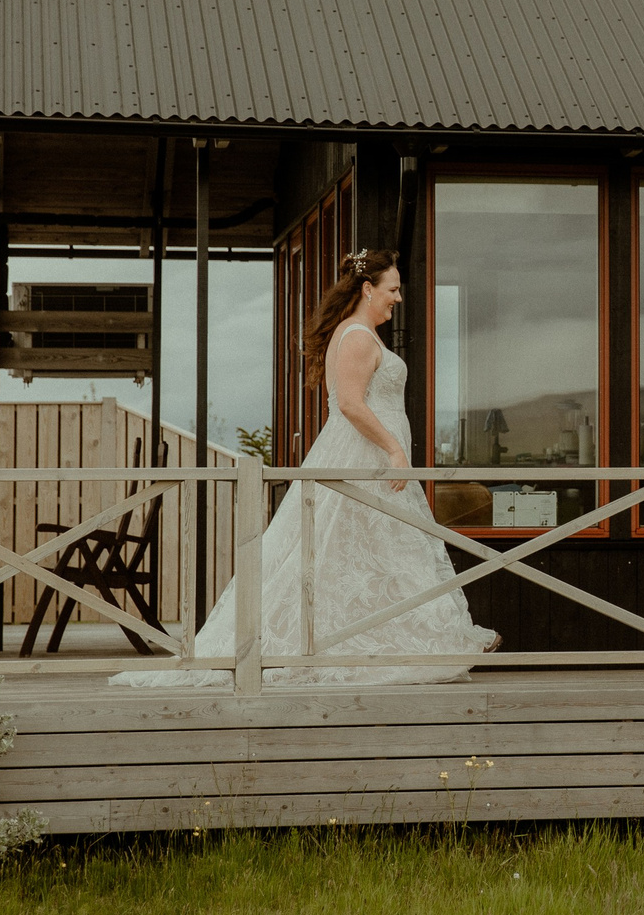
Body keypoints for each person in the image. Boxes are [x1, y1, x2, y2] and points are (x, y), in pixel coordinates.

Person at [112, 248, 499, 688]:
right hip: (365, 461)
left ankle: (425, 639)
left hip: (370, 463)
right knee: (358, 551)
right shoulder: (356, 337)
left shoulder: (358, 334)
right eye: (392, 290)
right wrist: (394, 449)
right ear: (367, 288)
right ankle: (389, 643)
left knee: (378, 552)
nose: (398, 298)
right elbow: (351, 404)